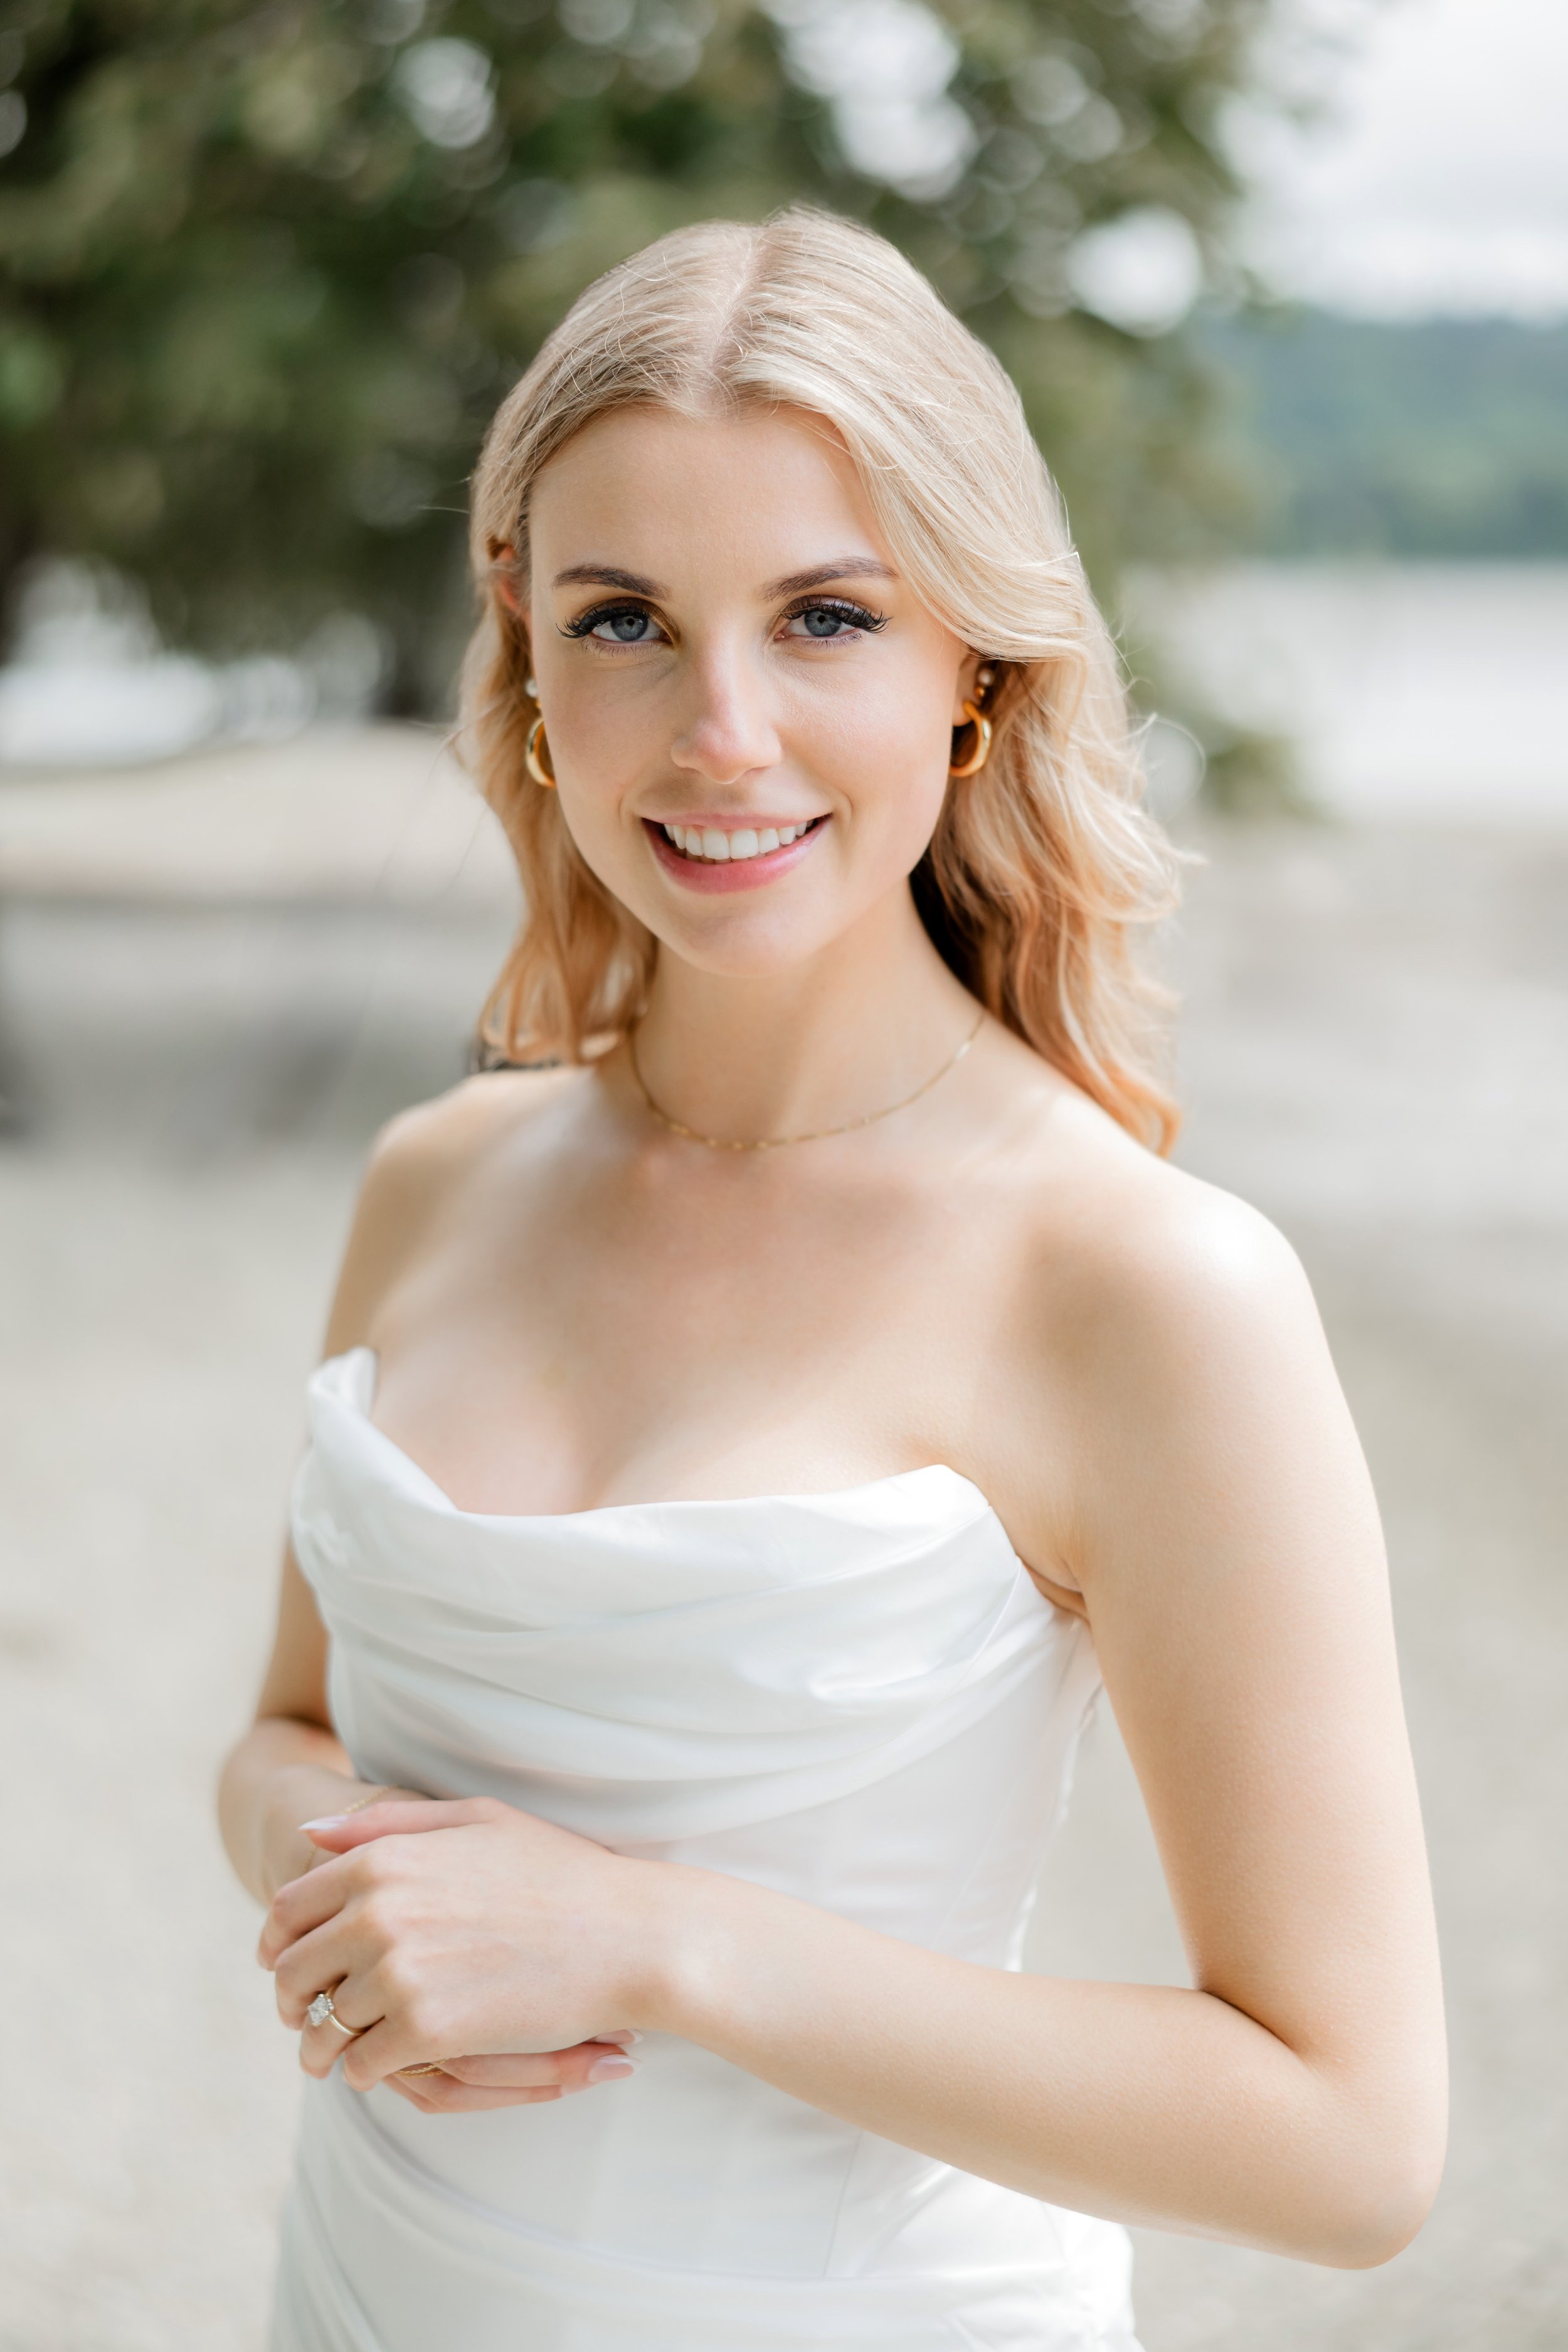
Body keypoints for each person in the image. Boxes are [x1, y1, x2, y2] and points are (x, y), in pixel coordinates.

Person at [218, 208, 1446, 2352]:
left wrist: (653, 1941)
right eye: (623, 621)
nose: (718, 732)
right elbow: (285, 1734)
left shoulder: (1145, 1289)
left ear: (969, 663)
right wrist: (352, 1891)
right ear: (520, 653)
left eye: (823, 616)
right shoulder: (438, 1178)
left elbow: (1345, 2148)